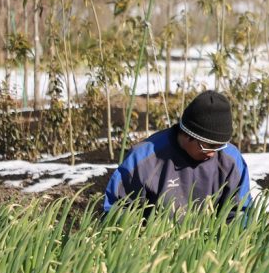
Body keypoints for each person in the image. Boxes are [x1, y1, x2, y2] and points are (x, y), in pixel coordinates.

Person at [103, 90, 251, 218]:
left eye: (220, 146)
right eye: (209, 146)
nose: (213, 154)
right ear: (188, 135)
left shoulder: (231, 160)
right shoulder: (144, 159)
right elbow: (117, 209)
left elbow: (239, 212)